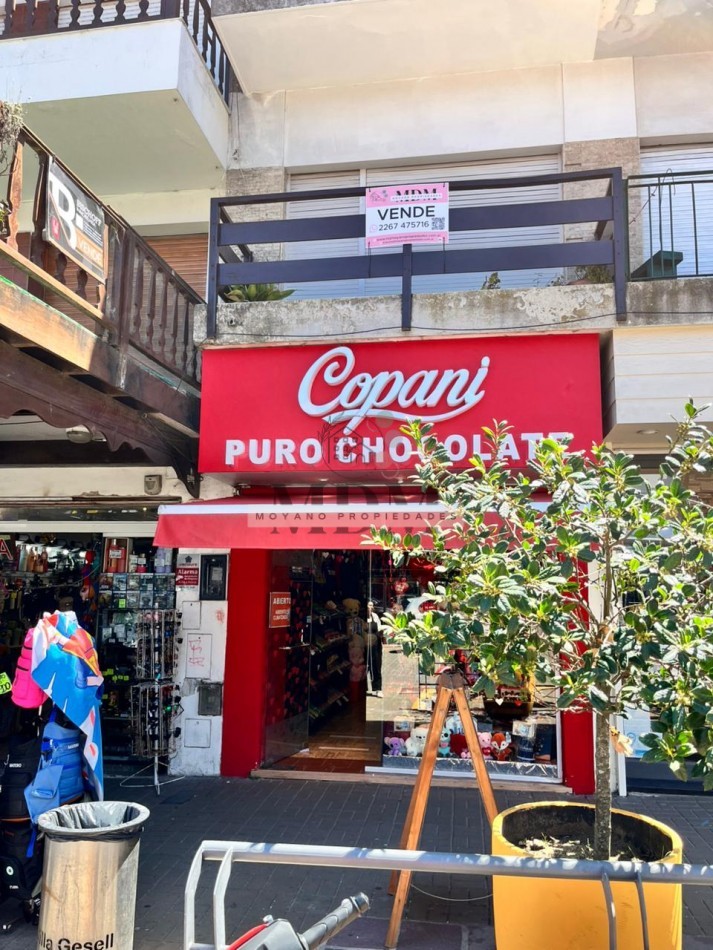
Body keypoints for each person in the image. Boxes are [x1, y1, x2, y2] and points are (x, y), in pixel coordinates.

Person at [364, 600, 383, 698]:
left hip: (375, 646)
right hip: (364, 646)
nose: (370, 608)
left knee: (376, 666)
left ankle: (377, 689)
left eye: (371, 606)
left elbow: (379, 628)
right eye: (368, 606)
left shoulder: (375, 616)